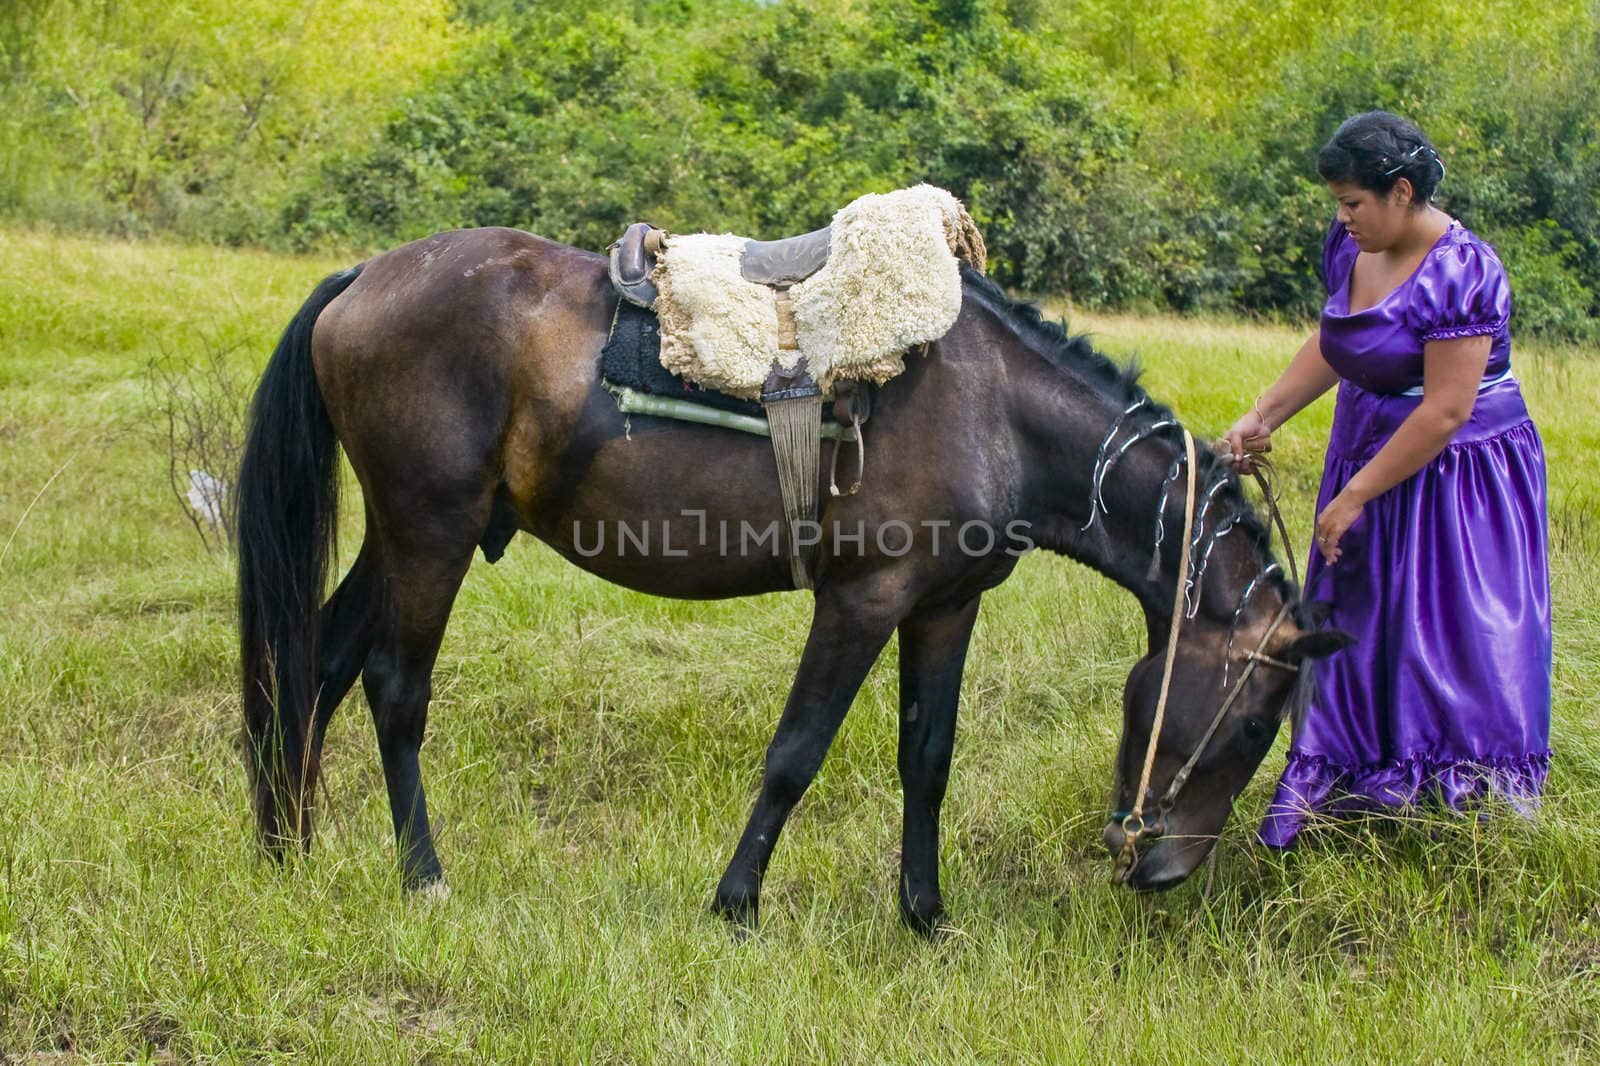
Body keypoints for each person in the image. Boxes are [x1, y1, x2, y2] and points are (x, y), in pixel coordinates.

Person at [1219, 110, 1552, 847]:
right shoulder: (1351, 244)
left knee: (1446, 627)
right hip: (1367, 440)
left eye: (1353, 203)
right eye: (1338, 204)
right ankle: (1352, 783)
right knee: (1359, 610)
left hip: (1457, 472)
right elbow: (1339, 339)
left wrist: (1357, 493)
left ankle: (1457, 807)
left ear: (1401, 191)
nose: (1342, 217)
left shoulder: (1464, 270)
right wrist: (1263, 414)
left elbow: (1445, 410)